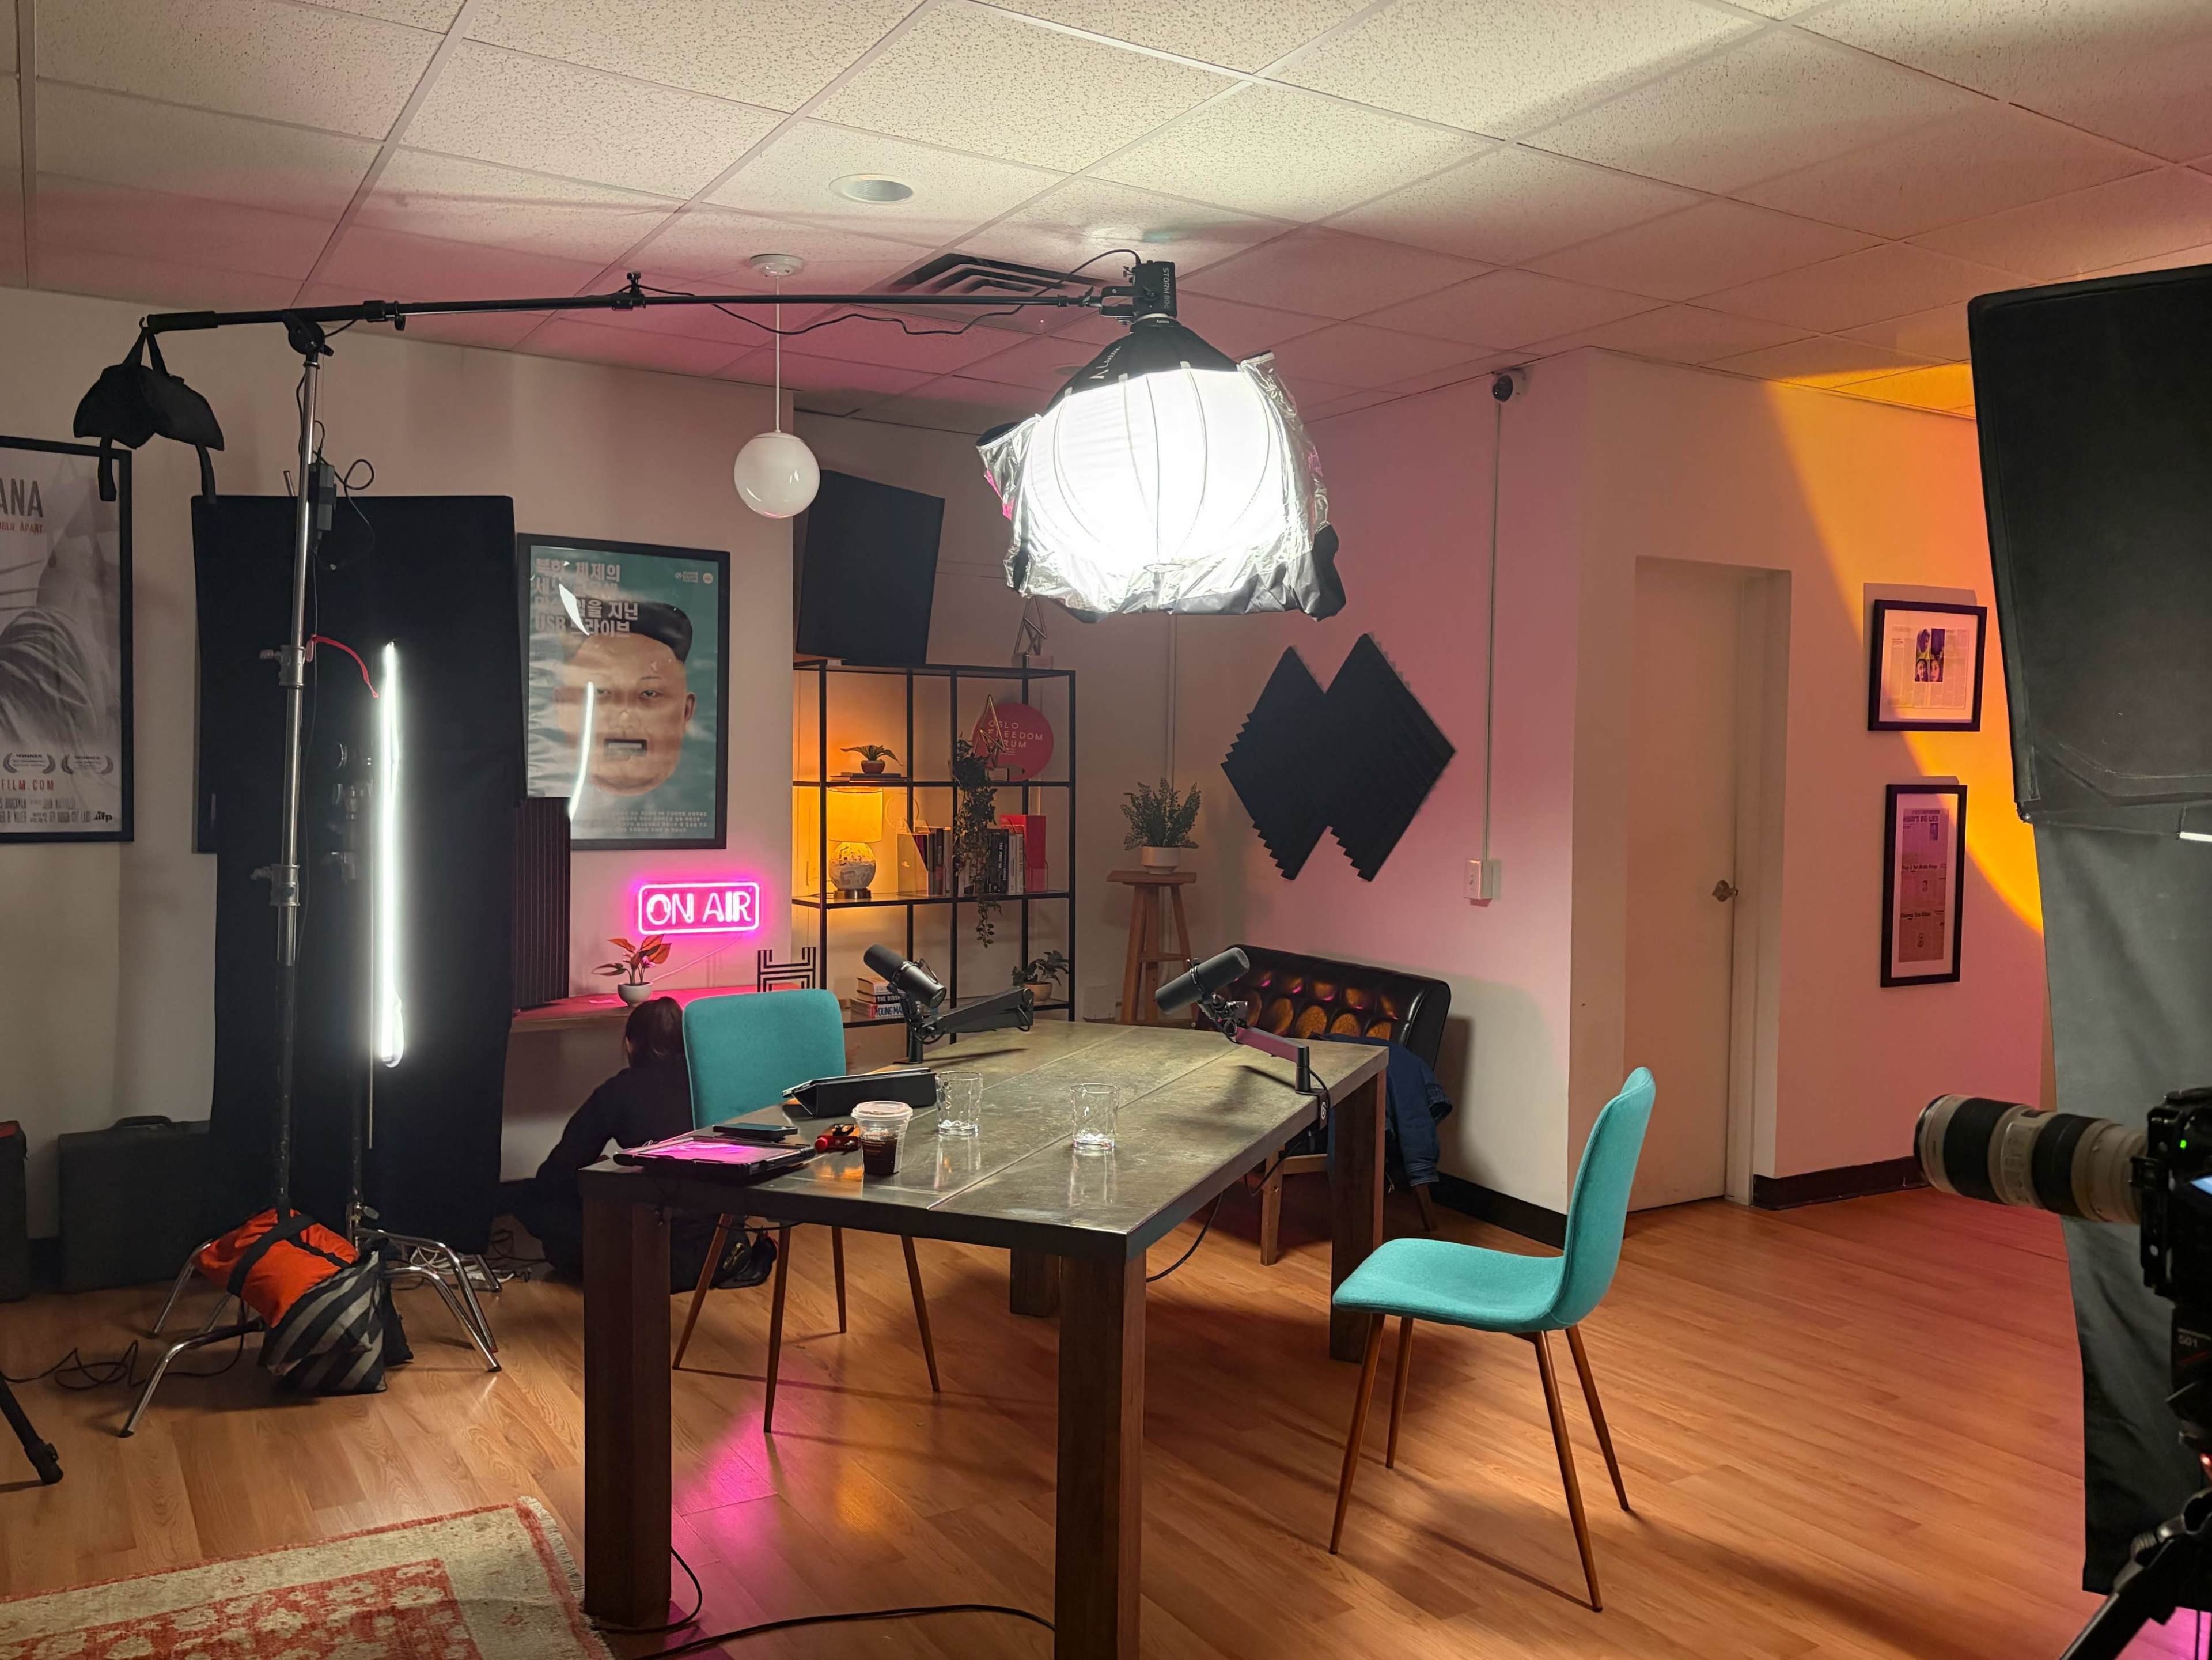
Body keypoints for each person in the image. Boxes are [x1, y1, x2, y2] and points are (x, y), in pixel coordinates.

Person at [513, 997, 768, 1290]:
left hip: (651, 1260)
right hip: (723, 1254)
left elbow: (557, 1174)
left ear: (632, 1044)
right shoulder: (717, 1082)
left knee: (534, 1201)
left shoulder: (619, 1090)